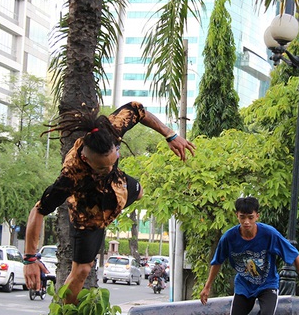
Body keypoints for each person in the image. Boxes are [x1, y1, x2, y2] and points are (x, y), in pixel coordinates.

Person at [24, 102, 195, 304]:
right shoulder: (70, 175)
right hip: (88, 211)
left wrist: (170, 135)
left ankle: (114, 205)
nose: (109, 167)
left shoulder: (112, 127)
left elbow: (139, 111)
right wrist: (30, 258)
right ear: (87, 161)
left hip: (117, 186)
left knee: (139, 192)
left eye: (113, 161)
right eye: (102, 167)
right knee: (82, 270)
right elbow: (38, 210)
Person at [199, 196, 299, 315]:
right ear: (237, 215)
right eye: (242, 217)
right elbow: (217, 262)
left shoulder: (269, 234)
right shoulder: (229, 238)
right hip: (244, 285)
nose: (246, 222)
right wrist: (207, 286)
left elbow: (294, 255)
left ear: (257, 216)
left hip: (267, 284)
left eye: (250, 217)